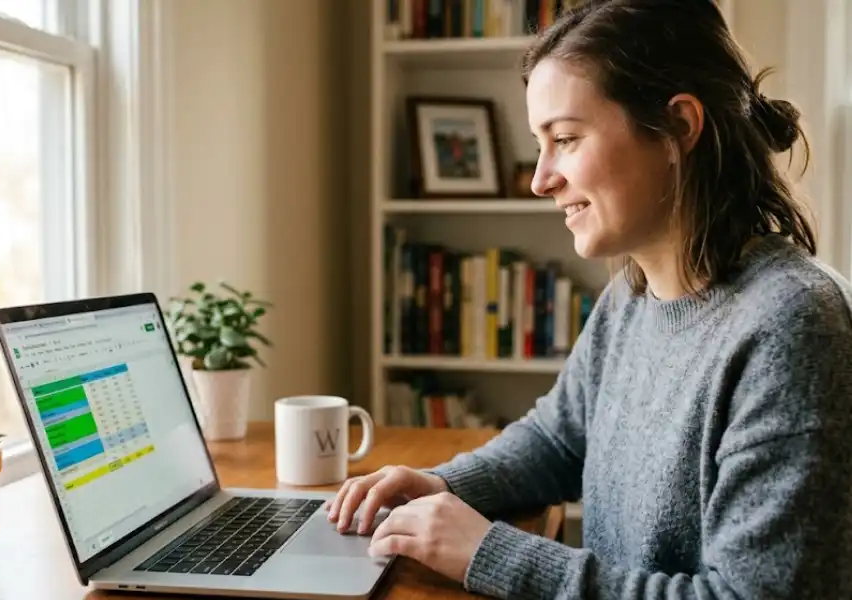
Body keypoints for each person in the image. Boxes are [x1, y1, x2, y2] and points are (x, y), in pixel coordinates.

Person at [328, 0, 852, 597]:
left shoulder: (791, 325)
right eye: (539, 143)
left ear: (679, 126)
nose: (539, 178)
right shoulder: (632, 295)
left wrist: (490, 552)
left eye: (567, 139)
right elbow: (557, 440)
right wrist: (440, 485)